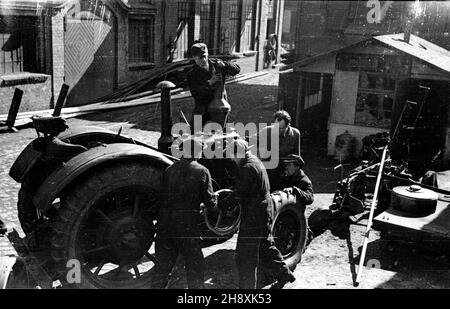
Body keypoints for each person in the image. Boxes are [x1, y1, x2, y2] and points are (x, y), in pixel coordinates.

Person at [222, 139, 295, 289]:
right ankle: (284, 274)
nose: (231, 159)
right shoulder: (255, 161)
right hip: (263, 210)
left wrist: (220, 205)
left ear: (240, 154)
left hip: (254, 215)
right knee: (265, 245)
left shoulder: (248, 167)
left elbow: (239, 194)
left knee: (245, 255)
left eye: (232, 155)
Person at [151, 138, 218, 289]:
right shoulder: (202, 171)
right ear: (196, 152)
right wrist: (213, 202)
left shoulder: (170, 169)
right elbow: (211, 204)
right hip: (186, 227)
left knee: (162, 269)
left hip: (165, 226)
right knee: (195, 265)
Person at [187, 43, 240, 129]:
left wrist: (225, 65)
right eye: (200, 58)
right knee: (194, 134)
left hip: (220, 108)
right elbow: (196, 94)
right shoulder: (192, 74)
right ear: (194, 58)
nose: (204, 60)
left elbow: (237, 70)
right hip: (203, 109)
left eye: (205, 56)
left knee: (221, 134)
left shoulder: (217, 65)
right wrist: (209, 83)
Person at [258, 110, 301, 190]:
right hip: (269, 171)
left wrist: (294, 174)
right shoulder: (266, 131)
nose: (277, 130)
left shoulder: (295, 134)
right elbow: (252, 140)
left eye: (281, 128)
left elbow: (297, 157)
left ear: (288, 125)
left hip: (285, 172)